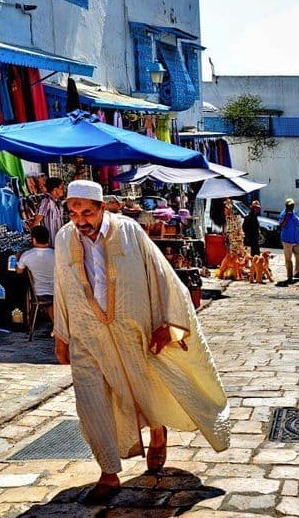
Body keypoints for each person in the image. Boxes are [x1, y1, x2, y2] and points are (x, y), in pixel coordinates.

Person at [53, 180, 229, 503]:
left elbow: (161, 275)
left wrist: (165, 321)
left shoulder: (130, 232)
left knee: (145, 388)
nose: (80, 220)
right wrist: (61, 334)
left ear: (102, 208)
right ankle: (108, 473)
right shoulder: (64, 239)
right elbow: (61, 286)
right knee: (91, 402)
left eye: (87, 212)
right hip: (87, 338)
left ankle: (158, 430)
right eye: (74, 212)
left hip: (132, 331)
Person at [17, 225, 55, 327]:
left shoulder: (27, 255)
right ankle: (57, 326)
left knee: (50, 304)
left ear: (33, 240)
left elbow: (19, 271)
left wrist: (18, 259)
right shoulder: (56, 253)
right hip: (58, 293)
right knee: (52, 303)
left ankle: (56, 326)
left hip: (39, 294)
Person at [32, 177, 65, 245]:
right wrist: (34, 239)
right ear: (55, 189)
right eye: (61, 188)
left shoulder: (58, 202)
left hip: (58, 241)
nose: (63, 190)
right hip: (50, 242)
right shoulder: (46, 201)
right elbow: (37, 220)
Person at [279, 198, 299, 282]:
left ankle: (296, 273)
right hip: (287, 240)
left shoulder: (294, 213)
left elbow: (297, 222)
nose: (291, 207)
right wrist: (287, 217)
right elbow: (282, 225)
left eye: (292, 205)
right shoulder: (283, 214)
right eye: (290, 205)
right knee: (288, 259)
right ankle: (289, 276)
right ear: (286, 206)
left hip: (295, 239)